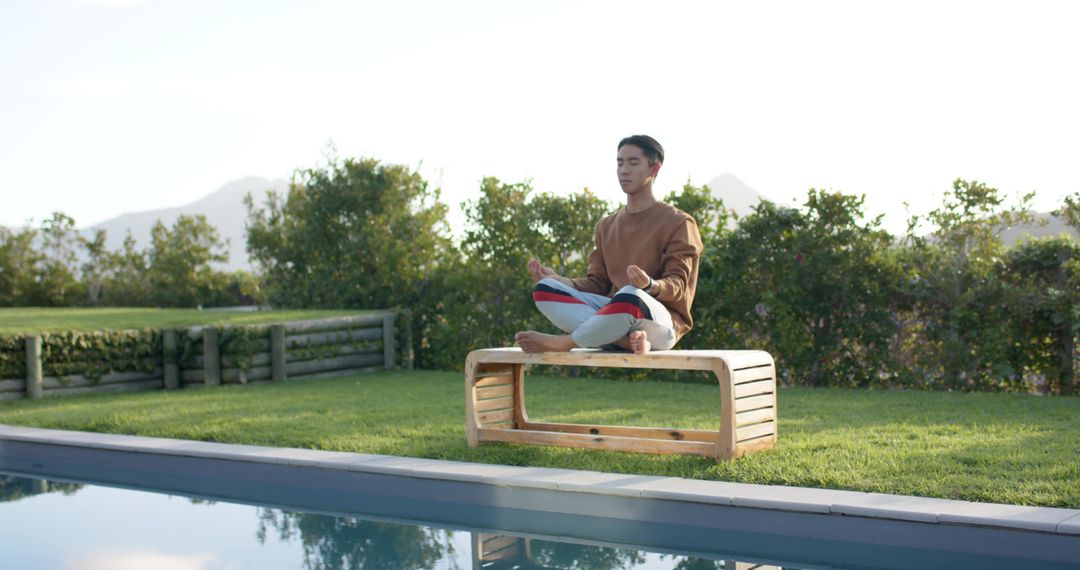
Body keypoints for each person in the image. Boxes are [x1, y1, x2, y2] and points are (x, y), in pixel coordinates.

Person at [514, 135, 703, 355]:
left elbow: (678, 285)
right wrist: (561, 280)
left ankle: (564, 343)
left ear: (654, 169)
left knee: (631, 294)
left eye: (633, 163)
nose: (624, 170)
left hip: (661, 321)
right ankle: (625, 341)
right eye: (619, 162)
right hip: (616, 313)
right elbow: (598, 283)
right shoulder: (606, 225)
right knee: (546, 291)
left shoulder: (679, 222)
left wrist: (649, 285)